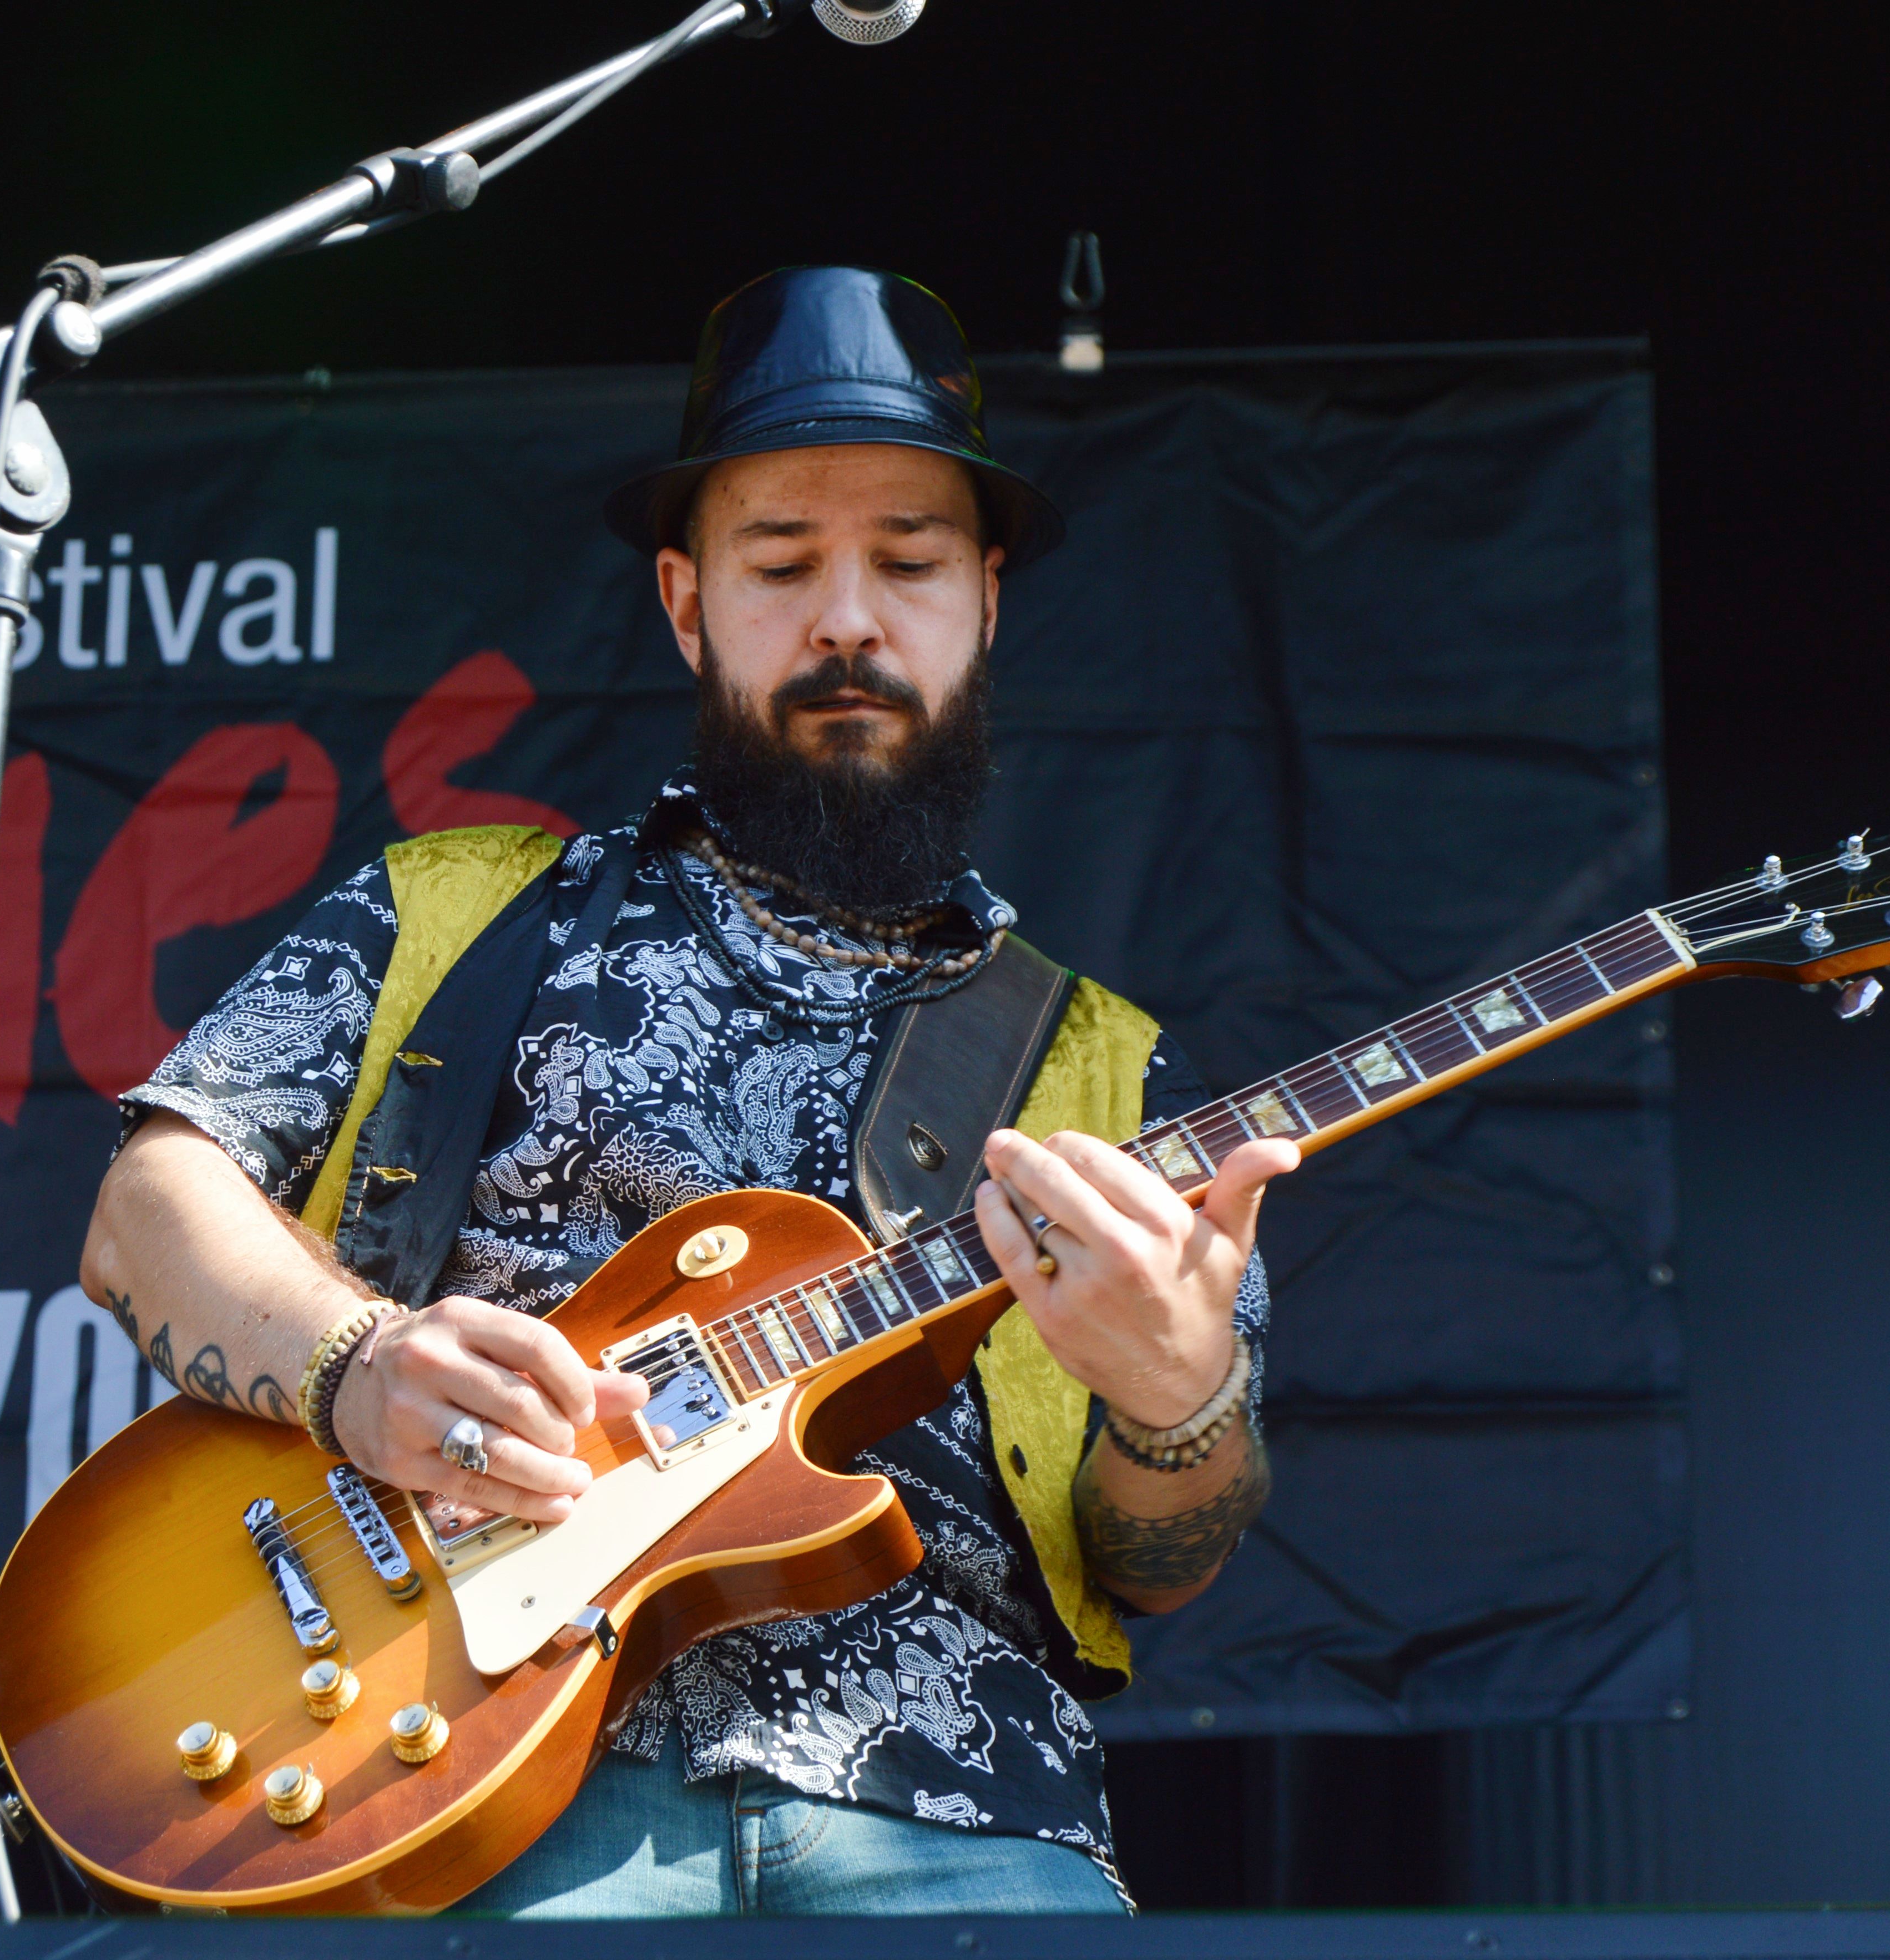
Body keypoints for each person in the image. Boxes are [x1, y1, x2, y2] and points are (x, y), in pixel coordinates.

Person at [80, 266, 1297, 1916]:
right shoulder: (452, 908)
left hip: (958, 1814)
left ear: (986, 600)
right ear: (684, 601)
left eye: (910, 563)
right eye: (781, 564)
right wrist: (358, 1365)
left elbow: (1165, 1559)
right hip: (442, 1758)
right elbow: (150, 1208)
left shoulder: (1114, 1069)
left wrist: (1177, 1395)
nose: (846, 619)